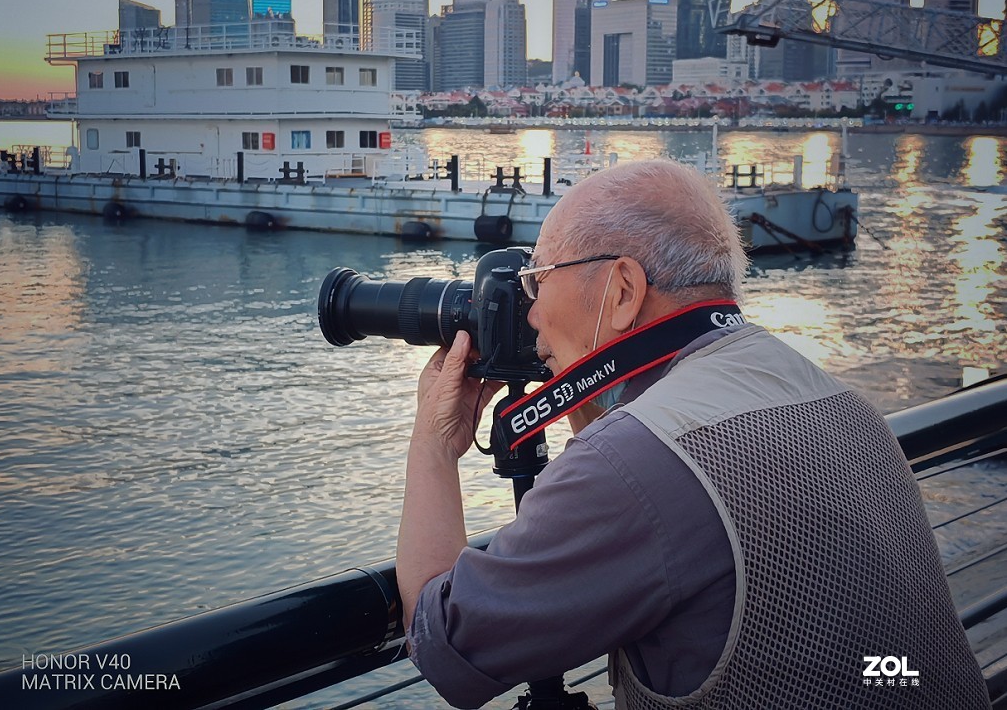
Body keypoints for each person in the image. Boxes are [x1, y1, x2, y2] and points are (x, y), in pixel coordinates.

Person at [395, 158, 989, 710]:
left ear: (622, 291)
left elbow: (444, 638)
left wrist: (434, 442)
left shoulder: (633, 462)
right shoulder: (834, 397)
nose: (526, 314)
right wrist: (590, 391)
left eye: (537, 280)